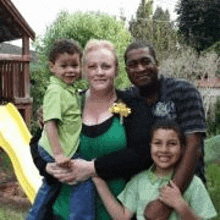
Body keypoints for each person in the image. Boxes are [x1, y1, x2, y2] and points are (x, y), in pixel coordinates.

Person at [30, 39, 154, 220]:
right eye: (92, 66)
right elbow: (37, 143)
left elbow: (143, 154)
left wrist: (93, 168)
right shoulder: (70, 100)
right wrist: (46, 167)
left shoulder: (133, 105)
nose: (99, 72)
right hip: (63, 213)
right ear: (84, 70)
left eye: (106, 66)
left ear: (116, 70)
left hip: (115, 212)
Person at [123, 40, 207, 220]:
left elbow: (194, 146)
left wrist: (166, 202)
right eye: (133, 65)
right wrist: (51, 109)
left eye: (145, 62)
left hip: (185, 192)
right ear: (127, 71)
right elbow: (96, 98)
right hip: (145, 193)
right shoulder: (128, 99)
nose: (140, 68)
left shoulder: (183, 91)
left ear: (157, 64)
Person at [92, 120, 217, 220]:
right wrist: (98, 180)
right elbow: (122, 216)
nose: (164, 150)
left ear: (182, 149)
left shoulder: (193, 184)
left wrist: (180, 205)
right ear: (150, 147)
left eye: (172, 144)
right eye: (158, 143)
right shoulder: (138, 181)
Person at [27, 39, 95, 220]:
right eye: (63, 66)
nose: (70, 70)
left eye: (74, 65)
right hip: (56, 149)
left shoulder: (70, 89)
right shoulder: (56, 91)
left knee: (51, 185)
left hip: (58, 149)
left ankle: (34, 217)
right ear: (52, 67)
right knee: (82, 180)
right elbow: (50, 123)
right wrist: (58, 155)